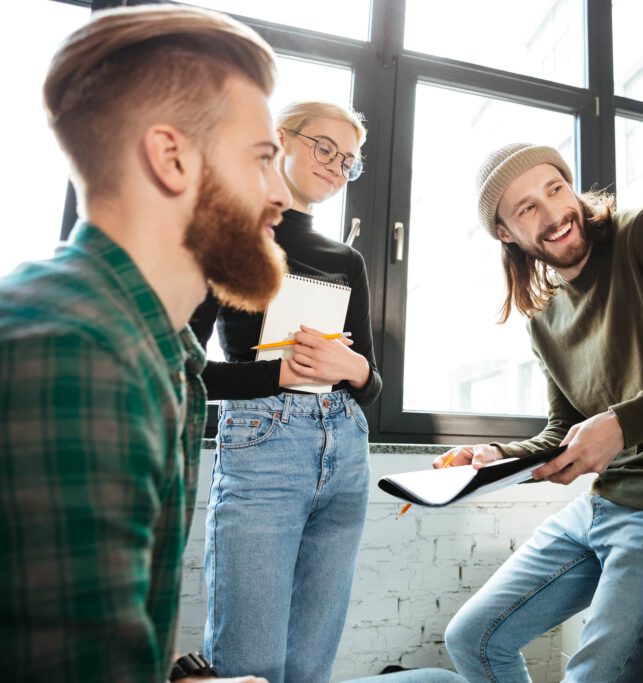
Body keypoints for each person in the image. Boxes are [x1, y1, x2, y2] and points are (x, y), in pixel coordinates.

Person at [0, 5, 289, 682]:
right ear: (172, 157)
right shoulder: (78, 353)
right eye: (263, 159)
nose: (281, 195)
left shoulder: (154, 346)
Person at [439, 143, 643, 682]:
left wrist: (624, 424)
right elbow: (565, 430)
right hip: (600, 507)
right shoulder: (543, 318)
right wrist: (499, 457)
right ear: (507, 234)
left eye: (554, 188)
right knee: (472, 640)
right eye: (526, 208)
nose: (553, 212)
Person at [189, 100, 381, 683]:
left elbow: (371, 383)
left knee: (308, 667)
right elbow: (183, 370)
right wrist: (278, 375)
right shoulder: (226, 239)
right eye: (325, 147)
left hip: (345, 447)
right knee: (250, 664)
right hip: (263, 444)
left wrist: (354, 369)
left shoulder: (346, 258)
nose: (336, 165)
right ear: (279, 140)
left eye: (348, 160)